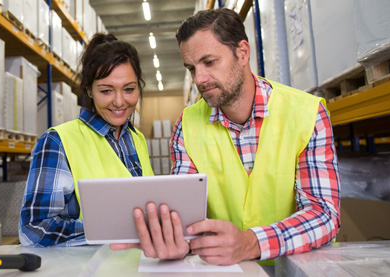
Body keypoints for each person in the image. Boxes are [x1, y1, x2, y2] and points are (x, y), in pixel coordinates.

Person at [111, 8, 340, 266]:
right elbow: (186, 218)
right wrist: (176, 240)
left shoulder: (307, 113)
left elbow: (324, 215)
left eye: (209, 62)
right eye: (191, 68)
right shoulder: (186, 126)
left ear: (242, 52)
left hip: (295, 267)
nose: (200, 79)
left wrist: (251, 243)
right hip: (226, 270)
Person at [19, 33, 154, 247]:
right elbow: (34, 230)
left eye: (129, 89)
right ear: (89, 90)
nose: (119, 102)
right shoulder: (58, 142)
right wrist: (118, 229)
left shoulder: (136, 139)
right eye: (106, 90)